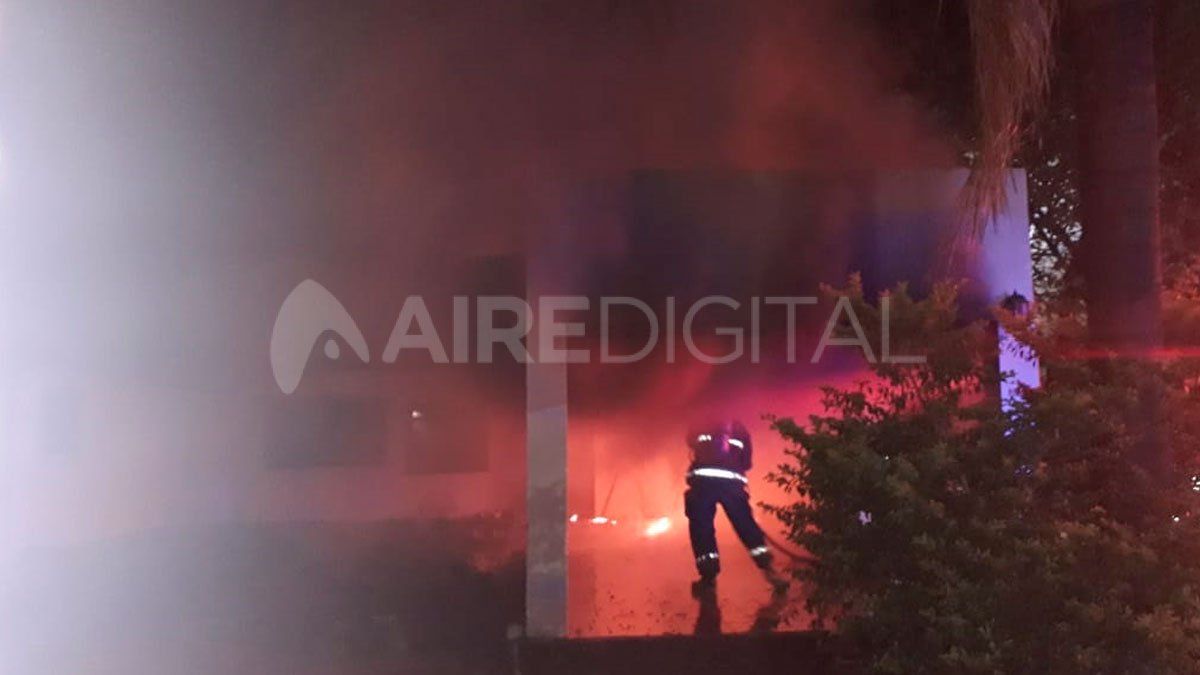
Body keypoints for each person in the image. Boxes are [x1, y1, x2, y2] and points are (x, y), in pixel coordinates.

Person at [684, 419, 788, 595]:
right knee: (747, 527)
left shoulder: (699, 422)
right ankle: (770, 572)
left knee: (701, 530)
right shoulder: (740, 429)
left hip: (703, 484)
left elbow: (690, 442)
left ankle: (708, 579)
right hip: (732, 486)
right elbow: (747, 463)